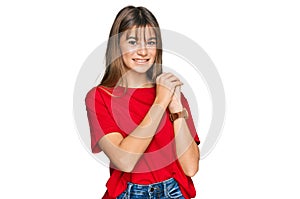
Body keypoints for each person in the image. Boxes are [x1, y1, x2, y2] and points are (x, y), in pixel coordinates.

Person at [85, 5, 200, 199]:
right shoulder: (100, 97)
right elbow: (125, 160)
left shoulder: (173, 94)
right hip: (130, 193)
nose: (143, 51)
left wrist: (177, 109)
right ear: (117, 45)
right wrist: (160, 101)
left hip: (175, 192)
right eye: (132, 42)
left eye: (151, 42)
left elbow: (190, 168)